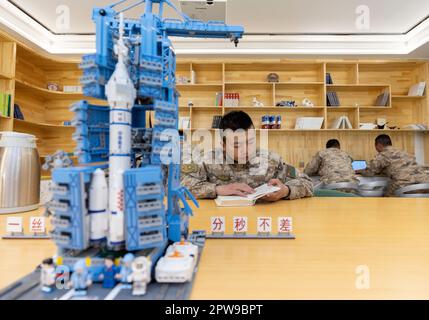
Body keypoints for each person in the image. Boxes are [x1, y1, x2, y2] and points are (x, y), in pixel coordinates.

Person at [181, 111, 313, 201]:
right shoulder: (207, 160)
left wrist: (286, 191)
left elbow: (307, 183)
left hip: (261, 221)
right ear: (223, 145)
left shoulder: (271, 160)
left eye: (250, 142)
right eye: (237, 145)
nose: (246, 150)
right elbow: (181, 187)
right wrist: (217, 189)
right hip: (221, 220)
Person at [358, 134, 429, 196]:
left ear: (378, 145)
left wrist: (359, 170)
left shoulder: (383, 154)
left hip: (404, 185)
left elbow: (369, 172)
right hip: (424, 184)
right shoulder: (403, 151)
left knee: (385, 197)